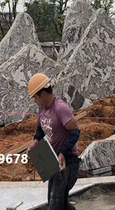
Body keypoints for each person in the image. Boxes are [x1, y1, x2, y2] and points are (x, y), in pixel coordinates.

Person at [28, 73, 80, 210]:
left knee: (55, 203)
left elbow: (75, 132)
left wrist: (63, 152)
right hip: (53, 162)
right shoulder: (42, 109)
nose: (35, 101)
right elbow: (40, 130)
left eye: (35, 98)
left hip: (68, 162)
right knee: (57, 201)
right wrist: (35, 141)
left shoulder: (60, 108)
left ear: (43, 94)